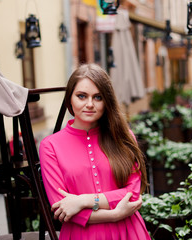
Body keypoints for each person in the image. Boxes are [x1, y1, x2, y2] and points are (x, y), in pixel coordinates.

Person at [39, 63, 150, 239]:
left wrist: (82, 201)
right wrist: (115, 214)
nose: (89, 104)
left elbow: (133, 193)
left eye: (98, 97)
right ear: (69, 99)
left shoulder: (124, 137)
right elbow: (62, 208)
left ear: (107, 101)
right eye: (81, 96)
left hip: (129, 233)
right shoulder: (50, 146)